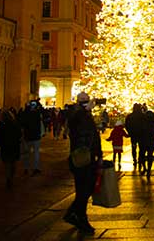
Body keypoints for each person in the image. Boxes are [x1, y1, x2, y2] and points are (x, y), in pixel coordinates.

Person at [63, 92, 102, 236]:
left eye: (87, 101)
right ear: (78, 102)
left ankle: (73, 214)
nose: (86, 103)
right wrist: (84, 110)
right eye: (83, 101)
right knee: (83, 189)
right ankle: (81, 218)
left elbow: (94, 136)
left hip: (89, 157)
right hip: (80, 158)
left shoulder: (86, 116)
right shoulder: (77, 114)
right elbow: (73, 121)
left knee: (87, 188)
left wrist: (100, 155)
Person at [0, 109, 22, 188]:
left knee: (7, 163)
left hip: (5, 146)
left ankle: (8, 177)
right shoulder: (15, 124)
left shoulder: (1, 126)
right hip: (14, 146)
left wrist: (0, 144)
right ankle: (11, 176)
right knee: (13, 162)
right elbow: (19, 134)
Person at [20, 100, 43, 176]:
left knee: (27, 153)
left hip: (27, 136)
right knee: (36, 153)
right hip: (36, 136)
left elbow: (22, 124)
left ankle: (26, 168)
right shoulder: (37, 114)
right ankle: (35, 168)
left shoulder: (25, 114)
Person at [140, 110, 154, 179]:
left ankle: (144, 168)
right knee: (150, 156)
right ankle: (148, 170)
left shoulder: (143, 122)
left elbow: (139, 131)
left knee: (142, 155)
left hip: (143, 141)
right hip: (152, 141)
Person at [125, 103, 145, 170]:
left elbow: (127, 125)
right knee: (141, 148)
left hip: (133, 135)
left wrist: (129, 132)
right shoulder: (142, 116)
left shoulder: (130, 116)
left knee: (134, 148)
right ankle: (140, 159)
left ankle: (134, 160)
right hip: (141, 135)